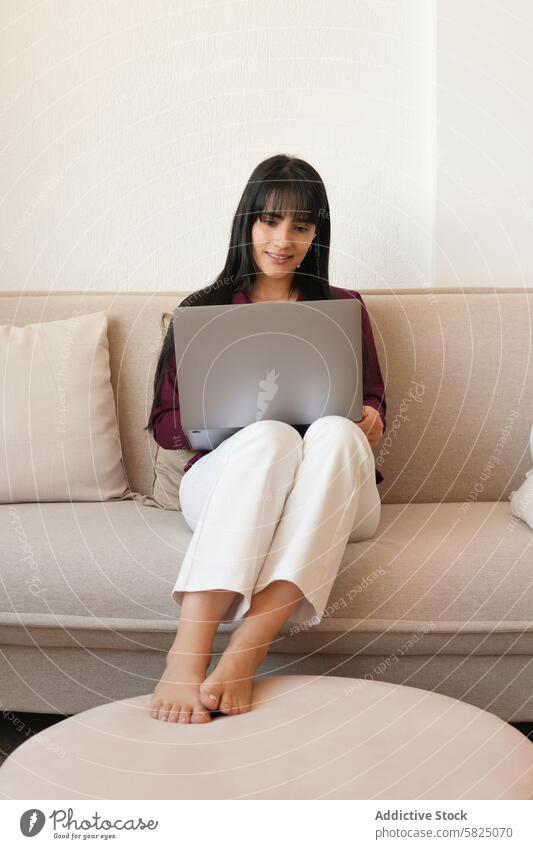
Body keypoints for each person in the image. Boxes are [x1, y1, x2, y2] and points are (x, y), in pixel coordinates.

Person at [144, 154, 387, 724]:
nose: (284, 239)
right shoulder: (202, 310)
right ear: (247, 222)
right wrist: (223, 417)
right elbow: (164, 424)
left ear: (317, 235)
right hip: (231, 479)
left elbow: (372, 397)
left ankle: (248, 648)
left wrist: (372, 416)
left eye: (301, 226)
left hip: (334, 487)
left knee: (330, 431)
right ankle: (191, 650)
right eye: (270, 221)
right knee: (272, 436)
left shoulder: (344, 307)